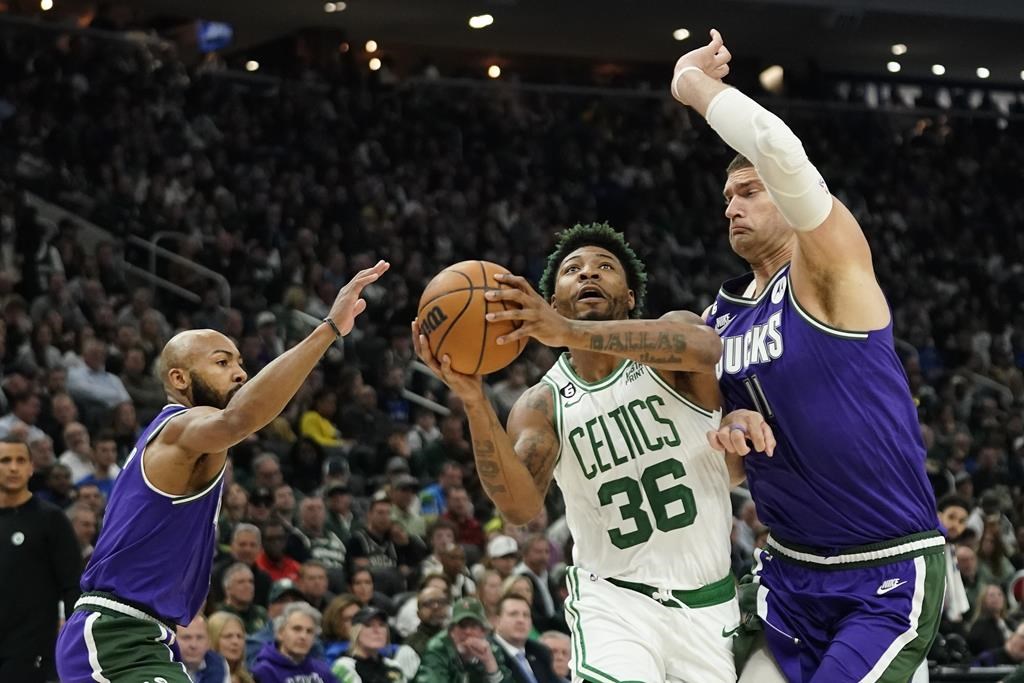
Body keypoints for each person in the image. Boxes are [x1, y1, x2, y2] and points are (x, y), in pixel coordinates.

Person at [670, 29, 944, 682]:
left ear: (790, 201)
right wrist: (728, 431)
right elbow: (728, 468)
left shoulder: (829, 265)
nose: (732, 205)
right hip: (790, 569)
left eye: (750, 192)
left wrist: (691, 84)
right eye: (727, 198)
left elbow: (778, 148)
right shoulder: (719, 321)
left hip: (885, 564)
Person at [413, 223, 743, 682]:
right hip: (614, 599)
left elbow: (706, 348)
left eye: (605, 267)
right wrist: (474, 400)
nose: (589, 274)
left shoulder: (673, 340)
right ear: (549, 303)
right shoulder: (542, 404)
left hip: (709, 602)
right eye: (573, 269)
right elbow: (519, 505)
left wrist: (567, 330)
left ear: (629, 296)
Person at [55, 260, 389, 683]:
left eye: (240, 361)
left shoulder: (193, 440)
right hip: (114, 632)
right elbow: (239, 418)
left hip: (148, 636)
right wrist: (329, 329)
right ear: (179, 377)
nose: (240, 371)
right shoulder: (179, 427)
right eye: (222, 361)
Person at [0, 436, 82, 683]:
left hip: (31, 649)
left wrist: (72, 642)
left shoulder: (51, 520)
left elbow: (72, 586)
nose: (13, 467)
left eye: (20, 460)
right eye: (5, 460)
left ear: (31, 467)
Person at [415, 597, 515, 683]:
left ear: (483, 631)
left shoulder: (492, 652)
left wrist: (490, 664)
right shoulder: (438, 649)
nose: (467, 631)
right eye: (462, 625)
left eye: (473, 625)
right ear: (452, 631)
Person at [251, 602, 339, 683]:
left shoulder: (323, 669)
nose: (303, 636)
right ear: (280, 633)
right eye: (297, 629)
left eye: (309, 631)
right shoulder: (264, 671)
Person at [331, 607, 413, 683]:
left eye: (381, 625)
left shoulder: (393, 666)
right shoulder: (344, 666)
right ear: (355, 631)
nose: (377, 631)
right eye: (368, 625)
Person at [492, 594, 561, 683]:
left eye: (526, 615)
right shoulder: (489, 654)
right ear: (497, 621)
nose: (521, 620)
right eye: (513, 614)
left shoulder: (540, 652)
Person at [177, 614, 230, 683]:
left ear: (209, 641)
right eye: (186, 637)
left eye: (199, 637)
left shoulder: (220, 663)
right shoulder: (164, 664)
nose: (193, 645)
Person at [207, 611, 256, 683]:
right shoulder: (202, 678)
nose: (235, 642)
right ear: (212, 639)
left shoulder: (249, 678)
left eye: (239, 636)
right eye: (228, 636)